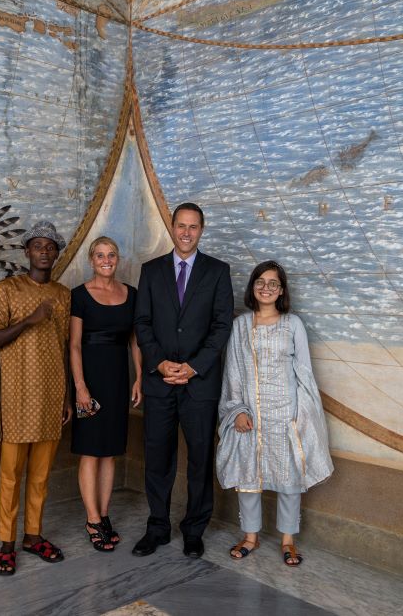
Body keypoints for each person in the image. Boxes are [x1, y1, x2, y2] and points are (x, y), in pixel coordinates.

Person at [131, 202, 234, 559]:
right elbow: (142, 323)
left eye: (193, 227)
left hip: (199, 385)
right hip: (160, 383)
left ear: (201, 230)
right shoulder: (151, 271)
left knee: (199, 460)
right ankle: (157, 527)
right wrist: (159, 364)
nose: (186, 232)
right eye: (181, 226)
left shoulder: (218, 272)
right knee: (158, 458)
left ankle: (194, 530)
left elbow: (222, 326)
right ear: (171, 227)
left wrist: (193, 367)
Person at [216, 261, 333, 567]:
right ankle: (250, 536)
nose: (266, 288)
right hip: (251, 414)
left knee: (289, 478)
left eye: (273, 283)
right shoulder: (241, 325)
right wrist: (237, 410)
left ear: (281, 290)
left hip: (286, 414)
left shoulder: (292, 324)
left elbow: (305, 373)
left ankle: (287, 540)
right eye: (261, 282)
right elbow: (233, 373)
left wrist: (302, 416)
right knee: (248, 475)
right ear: (252, 286)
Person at [0, 220, 72, 576]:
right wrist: (30, 320)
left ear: (56, 252)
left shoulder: (64, 294)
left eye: (51, 247)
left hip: (51, 396)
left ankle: (33, 536)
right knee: (11, 474)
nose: (45, 252)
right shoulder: (8, 289)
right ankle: (6, 542)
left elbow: (64, 346)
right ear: (27, 251)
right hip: (18, 396)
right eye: (38, 246)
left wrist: (66, 395)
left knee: (40, 476)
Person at [69, 236, 143, 552]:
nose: (106, 260)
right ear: (91, 259)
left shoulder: (132, 294)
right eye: (100, 255)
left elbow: (135, 342)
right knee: (90, 450)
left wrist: (139, 378)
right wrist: (80, 387)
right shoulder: (79, 295)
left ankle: (104, 514)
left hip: (117, 377)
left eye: (111, 254)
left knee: (110, 451)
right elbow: (73, 345)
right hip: (90, 379)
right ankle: (91, 519)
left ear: (118, 258)